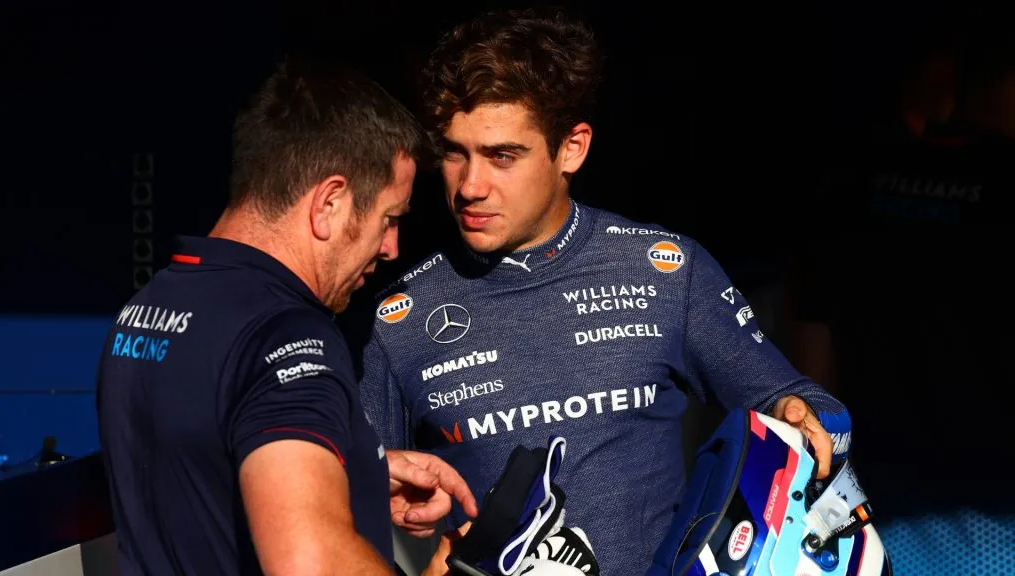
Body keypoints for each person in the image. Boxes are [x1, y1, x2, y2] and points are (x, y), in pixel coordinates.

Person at [342, 9, 852, 574]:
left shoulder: (663, 271)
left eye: (502, 156)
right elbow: (349, 520)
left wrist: (800, 421)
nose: (470, 186)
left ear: (573, 148)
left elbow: (815, 412)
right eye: (454, 152)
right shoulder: (396, 318)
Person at [96, 58, 477, 576]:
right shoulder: (288, 335)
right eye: (389, 218)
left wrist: (362, 470)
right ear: (329, 203)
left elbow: (201, 463)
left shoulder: (149, 306)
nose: (391, 248)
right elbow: (309, 564)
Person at [787, 13, 1015, 574]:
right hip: (996, 522)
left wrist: (826, 507)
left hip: (868, 513)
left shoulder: (845, 188)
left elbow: (811, 366)